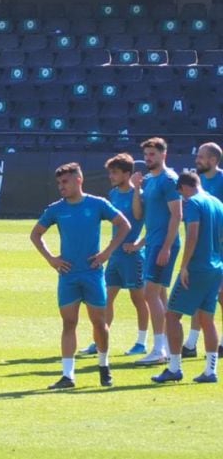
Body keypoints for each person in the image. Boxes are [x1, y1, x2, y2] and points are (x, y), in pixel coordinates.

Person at [29, 163, 130, 390]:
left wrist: (106, 253)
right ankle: (68, 375)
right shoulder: (56, 209)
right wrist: (51, 259)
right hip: (68, 275)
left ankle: (103, 365)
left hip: (92, 273)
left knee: (99, 323)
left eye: (65, 182)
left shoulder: (97, 204)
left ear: (79, 180)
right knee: (69, 323)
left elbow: (124, 225)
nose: (61, 186)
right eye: (59, 183)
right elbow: (36, 234)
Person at [151, 173, 223, 384]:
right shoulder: (217, 203)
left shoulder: (193, 203)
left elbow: (192, 235)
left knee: (172, 315)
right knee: (207, 319)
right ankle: (210, 371)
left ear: (183, 187)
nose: (181, 198)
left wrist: (184, 266)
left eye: (180, 193)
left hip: (197, 268)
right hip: (215, 268)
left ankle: (174, 368)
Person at [82, 154, 149, 356]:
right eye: (110, 172)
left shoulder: (140, 195)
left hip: (132, 257)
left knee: (139, 300)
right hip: (115, 256)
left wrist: (137, 245)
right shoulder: (113, 194)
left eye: (115, 172)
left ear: (127, 174)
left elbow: (139, 217)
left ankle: (141, 343)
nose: (111, 176)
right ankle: (100, 340)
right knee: (105, 299)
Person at [131, 137, 183, 365]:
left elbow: (177, 215)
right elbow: (138, 214)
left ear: (164, 155)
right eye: (146, 155)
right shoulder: (150, 180)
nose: (148, 158)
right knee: (159, 295)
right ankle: (168, 348)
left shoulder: (169, 180)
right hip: (153, 243)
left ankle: (159, 349)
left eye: (152, 154)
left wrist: (166, 247)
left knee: (149, 294)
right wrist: (136, 189)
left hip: (163, 245)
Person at [186, 141, 223, 356]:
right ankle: (191, 343)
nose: (197, 160)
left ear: (213, 160)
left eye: (201, 156)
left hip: (219, 248)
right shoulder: (198, 182)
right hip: (202, 248)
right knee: (199, 293)